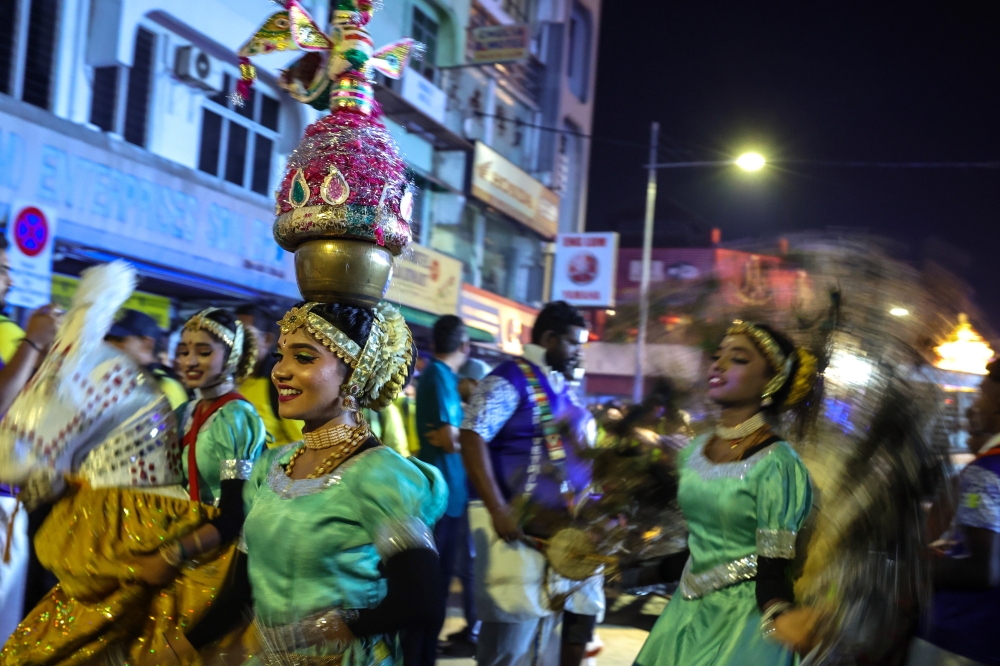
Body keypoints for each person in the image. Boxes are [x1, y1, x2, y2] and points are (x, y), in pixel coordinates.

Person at [241, 301, 447, 665]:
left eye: (304, 358)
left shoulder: (380, 476)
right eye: (280, 356)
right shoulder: (270, 467)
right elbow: (239, 588)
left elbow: (422, 601)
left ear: (356, 375)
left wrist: (316, 631)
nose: (279, 372)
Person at [633, 321, 817, 666]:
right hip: (684, 613)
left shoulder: (778, 464)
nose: (718, 365)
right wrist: (629, 571)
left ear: (772, 380)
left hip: (742, 622)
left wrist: (779, 613)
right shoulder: (694, 453)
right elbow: (697, 547)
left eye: (739, 359)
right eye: (717, 356)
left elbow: (775, 564)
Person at [459, 301, 594, 666]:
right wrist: (499, 510)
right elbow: (472, 436)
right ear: (549, 339)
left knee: (542, 640)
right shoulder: (508, 377)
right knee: (509, 641)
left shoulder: (561, 386)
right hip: (514, 534)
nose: (579, 352)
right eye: (573, 343)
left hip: (557, 534)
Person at [129, 307, 267, 652]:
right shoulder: (184, 412)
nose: (189, 361)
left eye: (204, 352)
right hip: (185, 547)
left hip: (219, 560)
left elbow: (235, 516)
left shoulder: (237, 417)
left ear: (231, 357)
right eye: (183, 351)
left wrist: (172, 554)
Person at [907, 361, 1000, 666]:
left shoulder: (986, 471)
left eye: (981, 395)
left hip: (960, 637)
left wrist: (905, 570)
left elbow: (984, 569)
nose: (973, 405)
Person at [416, 315, 472, 664]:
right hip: (442, 495)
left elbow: (452, 436)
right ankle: (422, 652)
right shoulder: (437, 376)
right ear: (464, 346)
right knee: (435, 579)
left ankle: (425, 648)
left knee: (444, 575)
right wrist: (467, 438)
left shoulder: (446, 377)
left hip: (453, 492)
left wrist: (458, 436)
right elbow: (451, 440)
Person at [236, 303, 304, 448]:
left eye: (245, 336)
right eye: (232, 335)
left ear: (266, 339)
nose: (236, 343)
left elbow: (303, 444)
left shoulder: (281, 383)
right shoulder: (229, 381)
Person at [106, 308, 189, 409]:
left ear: (147, 345)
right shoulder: (124, 379)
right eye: (108, 339)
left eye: (119, 339)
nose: (111, 344)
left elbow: (162, 424)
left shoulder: (166, 388)